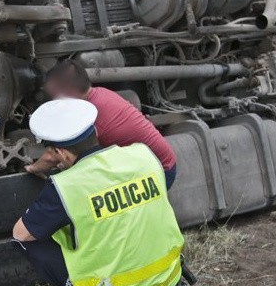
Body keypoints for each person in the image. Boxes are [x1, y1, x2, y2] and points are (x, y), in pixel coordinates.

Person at [13, 98, 185, 286]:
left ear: (59, 153)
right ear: (94, 131)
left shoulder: (66, 186)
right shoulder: (143, 155)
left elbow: (21, 233)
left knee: (26, 240)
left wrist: (37, 172)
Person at [25, 60, 178, 189]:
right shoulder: (99, 93)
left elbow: (54, 155)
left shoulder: (91, 115)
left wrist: (33, 168)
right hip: (154, 162)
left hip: (159, 171)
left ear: (68, 91)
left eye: (55, 95)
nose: (54, 100)